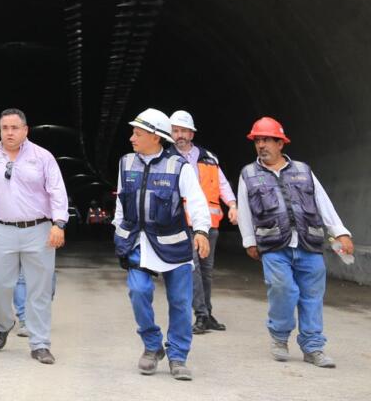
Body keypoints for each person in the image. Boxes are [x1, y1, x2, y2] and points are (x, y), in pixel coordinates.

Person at [237, 117, 353, 369]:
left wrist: (340, 231)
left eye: (266, 140)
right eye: (257, 140)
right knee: (284, 290)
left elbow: (322, 202)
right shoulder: (249, 174)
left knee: (312, 296)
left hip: (308, 243)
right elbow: (245, 209)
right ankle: (279, 337)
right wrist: (249, 240)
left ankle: (313, 347)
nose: (261, 145)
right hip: (273, 245)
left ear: (281, 143)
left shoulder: (303, 170)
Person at [113, 109, 212, 381]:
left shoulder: (178, 166)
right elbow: (121, 205)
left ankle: (178, 356)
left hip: (174, 246)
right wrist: (119, 234)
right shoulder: (126, 163)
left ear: (156, 137)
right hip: (139, 243)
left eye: (138, 133)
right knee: (138, 291)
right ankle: (152, 345)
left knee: (180, 301)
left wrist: (201, 231)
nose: (132, 137)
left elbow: (197, 200)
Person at [0, 107, 68, 365]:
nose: (10, 133)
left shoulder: (43, 157)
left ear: (25, 130)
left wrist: (59, 224)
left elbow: (57, 191)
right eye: (5, 128)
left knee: (39, 289)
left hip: (39, 230)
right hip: (1, 230)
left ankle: (40, 343)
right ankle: (4, 323)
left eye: (15, 128)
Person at [168, 110, 239, 334]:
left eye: (183, 131)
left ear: (191, 133)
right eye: (175, 131)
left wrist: (233, 205)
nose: (179, 135)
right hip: (181, 223)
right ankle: (200, 314)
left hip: (209, 224)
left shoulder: (209, 157)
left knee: (206, 270)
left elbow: (222, 184)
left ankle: (207, 313)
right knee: (193, 269)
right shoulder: (166, 157)